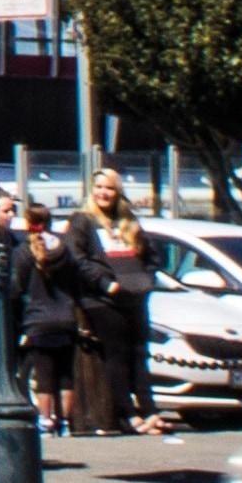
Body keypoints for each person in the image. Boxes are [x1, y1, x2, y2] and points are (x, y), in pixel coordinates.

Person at [70, 173, 162, 436]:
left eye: (109, 188)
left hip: (134, 294)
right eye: (98, 187)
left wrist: (147, 278)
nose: (103, 193)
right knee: (117, 354)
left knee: (139, 353)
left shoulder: (129, 220)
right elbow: (78, 258)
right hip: (102, 298)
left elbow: (153, 256)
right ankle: (128, 415)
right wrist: (104, 283)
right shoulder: (82, 221)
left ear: (118, 192)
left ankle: (150, 410)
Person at [6, 191, 80, 439]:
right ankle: (66, 423)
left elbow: (16, 288)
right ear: (49, 221)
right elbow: (75, 280)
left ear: (28, 223)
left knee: (45, 375)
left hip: (38, 320)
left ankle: (46, 421)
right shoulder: (64, 248)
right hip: (66, 318)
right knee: (66, 375)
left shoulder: (24, 252)